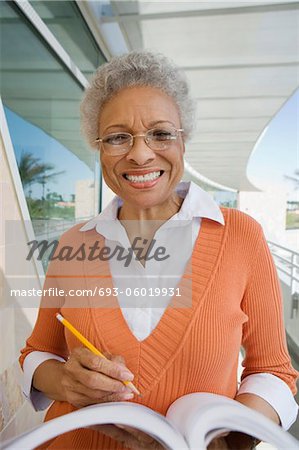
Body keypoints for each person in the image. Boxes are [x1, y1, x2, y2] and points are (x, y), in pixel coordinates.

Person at [20, 51, 298, 450]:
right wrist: (63, 379)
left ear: (183, 140)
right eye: (117, 137)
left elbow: (273, 370)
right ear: (98, 149)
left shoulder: (240, 236)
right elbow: (37, 353)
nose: (140, 153)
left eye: (161, 133)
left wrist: (233, 440)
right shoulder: (74, 243)